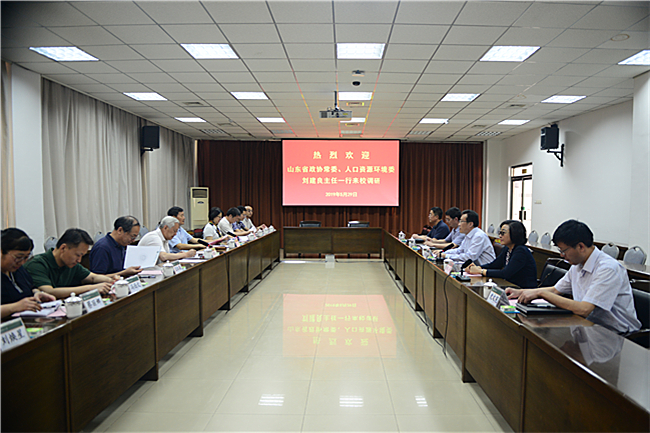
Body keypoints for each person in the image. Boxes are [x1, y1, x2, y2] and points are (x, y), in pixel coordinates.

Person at [506, 220, 641, 334]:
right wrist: (521, 292)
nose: (561, 255)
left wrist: (541, 293)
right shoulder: (577, 265)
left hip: (617, 334)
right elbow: (555, 290)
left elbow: (584, 309)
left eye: (563, 251)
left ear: (581, 246)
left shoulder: (608, 268)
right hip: (588, 327)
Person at [24, 228, 118, 298]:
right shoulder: (37, 264)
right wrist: (91, 288)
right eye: (77, 255)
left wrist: (111, 281)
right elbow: (49, 291)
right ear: (63, 248)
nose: (79, 260)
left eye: (82, 256)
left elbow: (92, 277)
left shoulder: (71, 264)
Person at [1, 228, 56, 318]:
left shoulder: (18, 270)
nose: (22, 262)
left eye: (26, 257)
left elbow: (30, 287)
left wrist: (36, 293)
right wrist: (14, 307)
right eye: (18, 257)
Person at [467, 220, 537, 288]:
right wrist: (478, 267)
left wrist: (480, 271)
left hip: (523, 290)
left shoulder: (521, 251)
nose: (500, 236)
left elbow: (505, 273)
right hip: (511, 287)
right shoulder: (507, 248)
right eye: (499, 233)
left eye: (503, 233)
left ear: (514, 234)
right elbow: (495, 265)